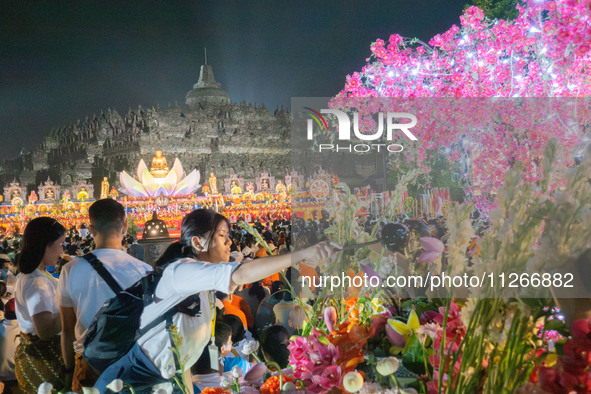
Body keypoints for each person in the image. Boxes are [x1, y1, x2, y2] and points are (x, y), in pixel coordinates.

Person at [94, 208, 338, 393]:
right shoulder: (181, 273)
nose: (229, 242)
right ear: (198, 242)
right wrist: (302, 254)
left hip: (167, 382)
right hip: (128, 383)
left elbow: (185, 359)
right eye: (222, 236)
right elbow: (241, 272)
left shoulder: (204, 292)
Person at [58, 199, 152, 392]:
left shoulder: (70, 270)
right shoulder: (145, 271)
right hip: (133, 363)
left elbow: (67, 329)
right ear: (125, 226)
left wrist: (69, 371)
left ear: (91, 229)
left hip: (88, 364)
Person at [13, 217, 66, 392]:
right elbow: (45, 330)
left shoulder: (37, 275)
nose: (62, 251)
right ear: (45, 245)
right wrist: (73, 308)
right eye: (59, 245)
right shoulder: (36, 282)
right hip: (44, 362)